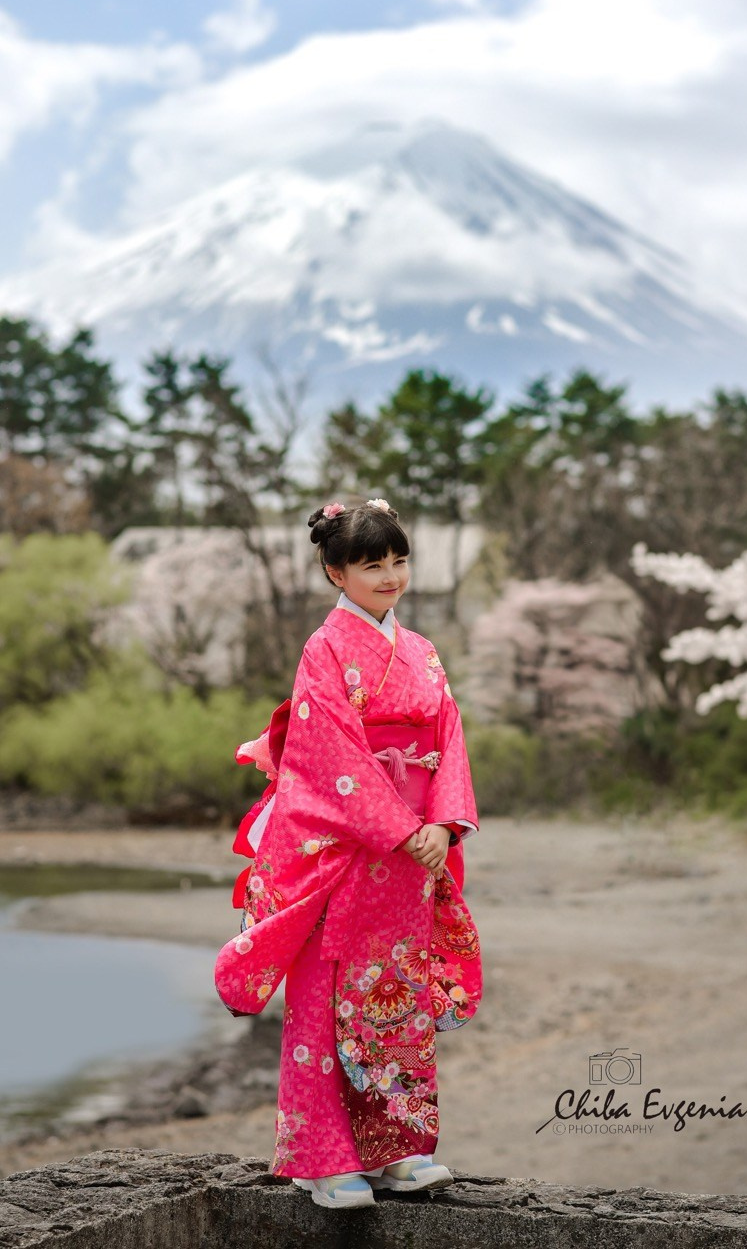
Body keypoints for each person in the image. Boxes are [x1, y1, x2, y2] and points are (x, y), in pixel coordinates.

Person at [214, 497, 482, 1211]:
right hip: (346, 848)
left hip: (410, 855)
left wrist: (444, 823)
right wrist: (399, 827)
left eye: (398, 561)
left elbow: (447, 738)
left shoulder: (422, 651)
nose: (391, 576)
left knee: (396, 996)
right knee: (327, 998)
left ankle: (400, 1148)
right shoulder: (324, 649)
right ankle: (322, 1158)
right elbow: (327, 751)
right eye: (372, 565)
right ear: (335, 572)